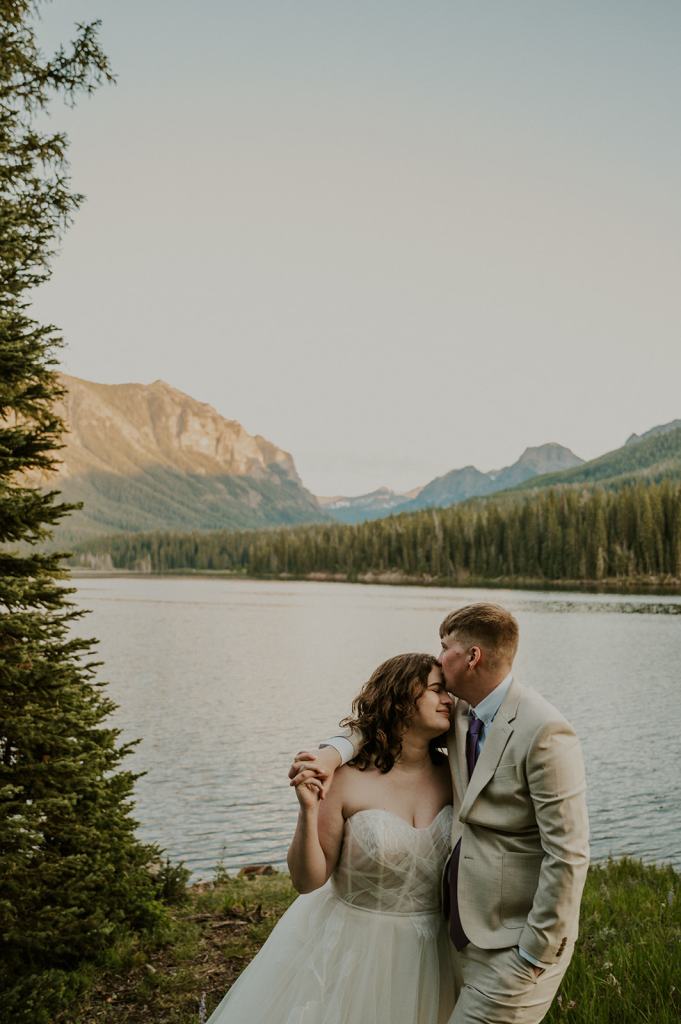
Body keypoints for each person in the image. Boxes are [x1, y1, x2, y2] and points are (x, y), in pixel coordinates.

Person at [292, 603, 590, 1024]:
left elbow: (569, 853)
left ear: (472, 657)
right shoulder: (464, 714)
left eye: (445, 646)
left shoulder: (543, 730)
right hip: (448, 946)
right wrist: (330, 752)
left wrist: (535, 952)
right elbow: (381, 716)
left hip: (513, 952)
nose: (439, 659)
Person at [206, 653, 458, 1024]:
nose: (449, 700)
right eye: (437, 690)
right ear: (402, 698)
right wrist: (308, 812)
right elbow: (307, 881)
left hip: (437, 951)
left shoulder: (457, 775)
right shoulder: (345, 778)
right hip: (354, 949)